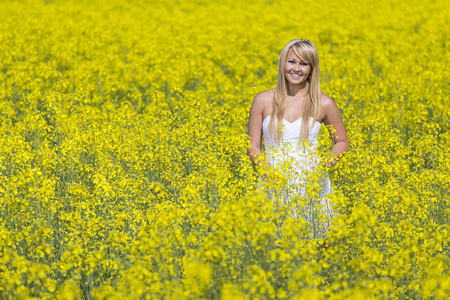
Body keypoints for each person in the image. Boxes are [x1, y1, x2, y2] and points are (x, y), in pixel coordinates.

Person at [247, 39, 349, 237]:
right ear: (283, 63)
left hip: (312, 184)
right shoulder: (263, 100)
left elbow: (342, 142)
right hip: (273, 182)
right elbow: (253, 146)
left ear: (312, 69)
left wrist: (321, 169)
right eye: (292, 61)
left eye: (304, 64)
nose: (296, 69)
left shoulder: (324, 103)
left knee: (318, 247)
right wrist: (267, 172)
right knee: (273, 248)